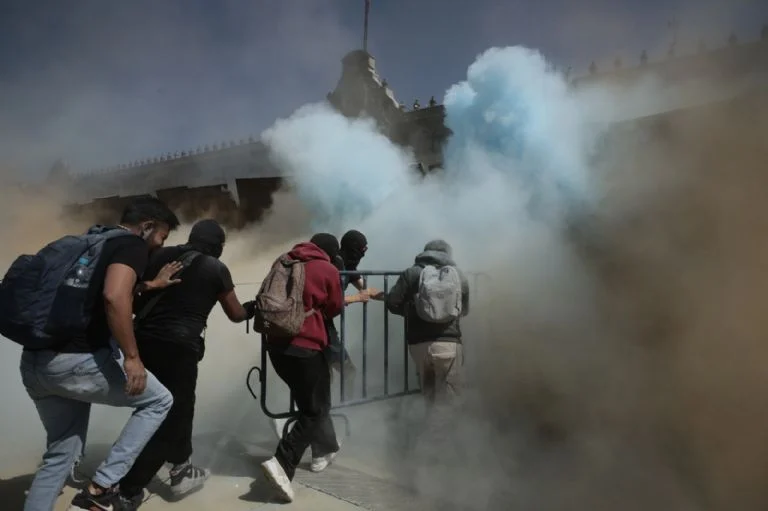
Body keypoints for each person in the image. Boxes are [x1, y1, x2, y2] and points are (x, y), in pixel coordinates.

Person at [19, 197, 181, 511]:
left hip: (36, 364)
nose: (158, 246)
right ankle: (101, 489)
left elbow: (95, 290)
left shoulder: (89, 241)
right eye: (161, 236)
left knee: (60, 454)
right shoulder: (131, 245)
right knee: (159, 400)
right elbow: (113, 295)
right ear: (146, 227)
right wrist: (132, 358)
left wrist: (150, 285)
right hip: (75, 362)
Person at [117, 219, 257, 508]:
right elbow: (236, 314)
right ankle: (128, 489)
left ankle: (180, 468)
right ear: (218, 245)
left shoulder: (159, 255)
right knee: (174, 413)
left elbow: (131, 290)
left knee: (159, 408)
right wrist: (255, 307)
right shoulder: (216, 269)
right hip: (179, 349)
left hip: (141, 343)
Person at [260, 233, 344, 503]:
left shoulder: (284, 260)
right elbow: (334, 307)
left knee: (312, 401)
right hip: (307, 347)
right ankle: (282, 463)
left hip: (276, 347)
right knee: (315, 409)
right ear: (330, 251)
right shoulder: (327, 268)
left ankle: (325, 449)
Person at [385, 239, 470, 406]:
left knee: (429, 394)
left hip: (419, 344)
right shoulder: (459, 275)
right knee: (450, 397)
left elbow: (392, 303)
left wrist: (414, 312)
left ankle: (429, 429)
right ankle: (444, 432)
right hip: (449, 343)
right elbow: (464, 310)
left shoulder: (411, 273)